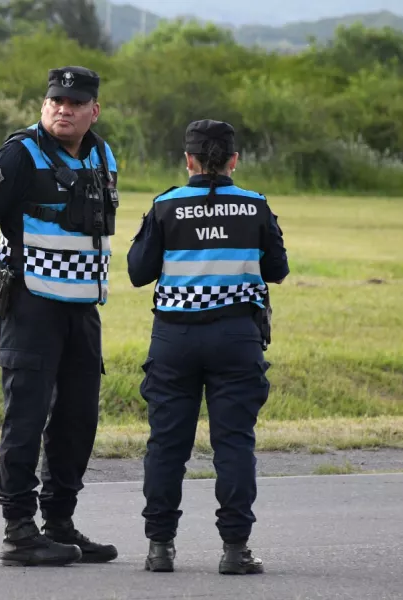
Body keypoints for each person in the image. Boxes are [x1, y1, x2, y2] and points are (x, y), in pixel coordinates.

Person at [0, 66, 121, 567]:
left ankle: (61, 525)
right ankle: (20, 532)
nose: (63, 110)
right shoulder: (18, 155)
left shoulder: (102, 153)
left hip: (81, 310)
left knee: (77, 420)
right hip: (30, 308)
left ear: (93, 109)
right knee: (26, 420)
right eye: (55, 101)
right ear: (44, 104)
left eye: (74, 103)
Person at [126, 119, 290, 574]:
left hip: (174, 338)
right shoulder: (256, 206)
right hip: (237, 337)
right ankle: (235, 550)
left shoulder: (165, 205)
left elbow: (138, 272)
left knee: (166, 445)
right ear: (235, 161)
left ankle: (160, 547)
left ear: (189, 161)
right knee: (234, 444)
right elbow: (277, 269)